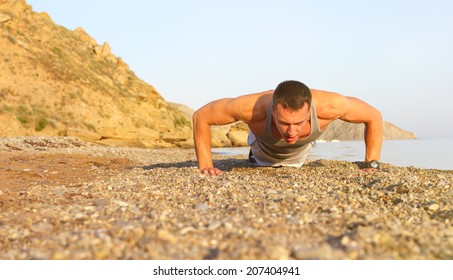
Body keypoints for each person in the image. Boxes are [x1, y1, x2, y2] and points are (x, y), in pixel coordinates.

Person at [193, 80, 383, 176]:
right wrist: (206, 165)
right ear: (273, 110)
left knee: (299, 143)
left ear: (309, 111)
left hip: (302, 151)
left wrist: (371, 164)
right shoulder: (252, 108)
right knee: (259, 148)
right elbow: (201, 116)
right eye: (284, 123)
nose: (291, 132)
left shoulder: (331, 105)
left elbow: (373, 116)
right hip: (261, 151)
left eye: (298, 123)